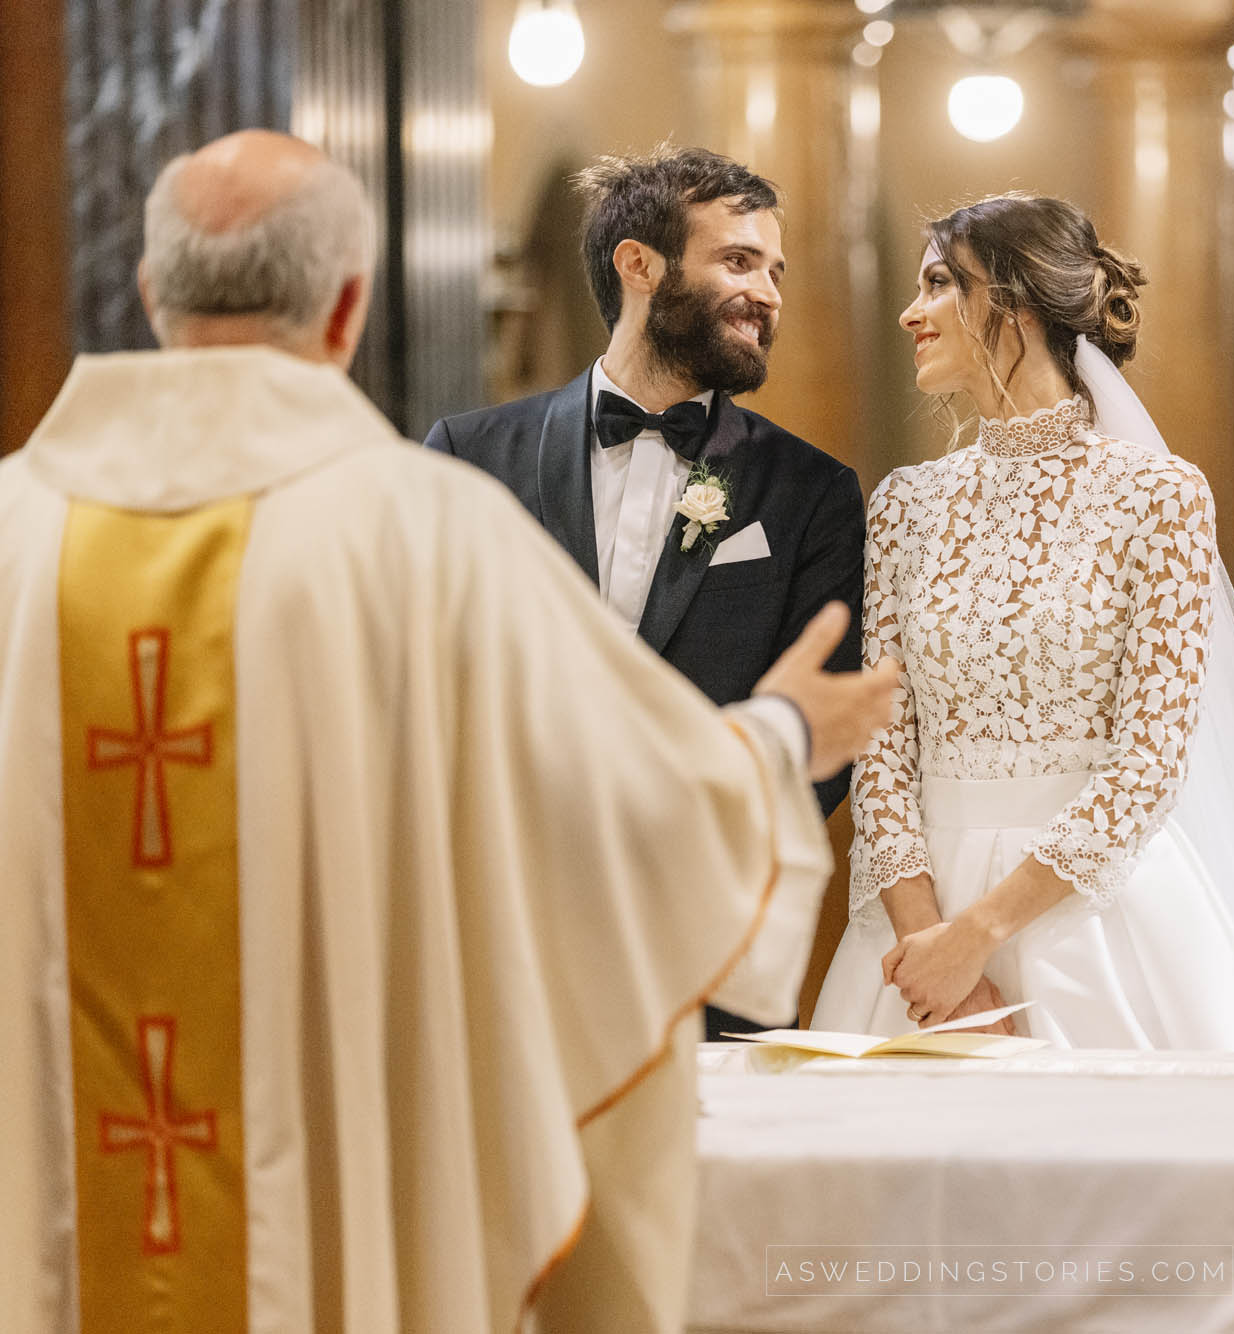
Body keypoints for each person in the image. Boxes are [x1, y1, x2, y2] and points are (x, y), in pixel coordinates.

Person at [0, 130, 897, 1333]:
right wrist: (782, 732)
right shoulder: (428, 525)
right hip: (338, 1101)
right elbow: (635, 778)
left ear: (152, 291)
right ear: (348, 308)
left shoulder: (13, 534)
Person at [809, 194, 1234, 1052]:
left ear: (1011, 301)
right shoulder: (907, 505)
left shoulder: (1158, 497)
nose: (911, 313)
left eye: (939, 284)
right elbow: (883, 758)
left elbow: (1149, 763)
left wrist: (980, 936)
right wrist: (931, 947)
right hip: (916, 923)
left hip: (1091, 913)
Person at [424, 145, 866, 1041]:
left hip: (702, 931)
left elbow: (825, 734)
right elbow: (422, 683)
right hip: (496, 926)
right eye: (738, 261)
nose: (770, 293)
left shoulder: (810, 491)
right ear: (640, 265)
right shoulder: (468, 457)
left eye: (775, 270)